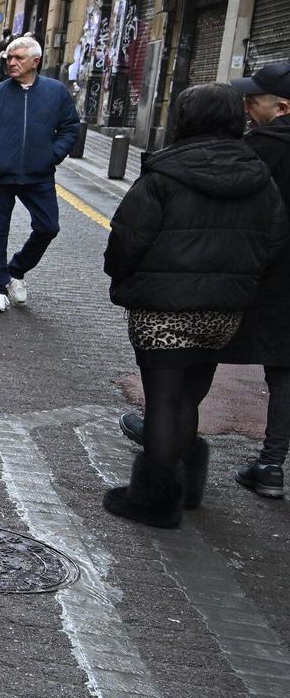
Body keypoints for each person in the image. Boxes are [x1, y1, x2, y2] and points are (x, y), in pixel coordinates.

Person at [101, 84, 288, 528]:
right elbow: (276, 244)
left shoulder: (164, 175)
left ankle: (155, 500)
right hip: (224, 311)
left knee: (164, 400)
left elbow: (127, 241)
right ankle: (187, 488)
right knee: (190, 395)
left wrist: (124, 279)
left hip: (163, 310)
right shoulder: (259, 177)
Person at [0, 35, 80, 314]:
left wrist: (52, 155)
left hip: (39, 175)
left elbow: (70, 128)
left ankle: (16, 269)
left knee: (48, 227)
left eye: (18, 58)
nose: (11, 63)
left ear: (35, 61)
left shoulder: (55, 92)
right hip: (1, 176)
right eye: (9, 58)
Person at [222, 63, 290, 498]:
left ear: (282, 107)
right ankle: (271, 464)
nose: (247, 106)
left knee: (199, 340)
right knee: (284, 369)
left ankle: (165, 430)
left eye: (254, 100)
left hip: (258, 269)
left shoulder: (260, 150)